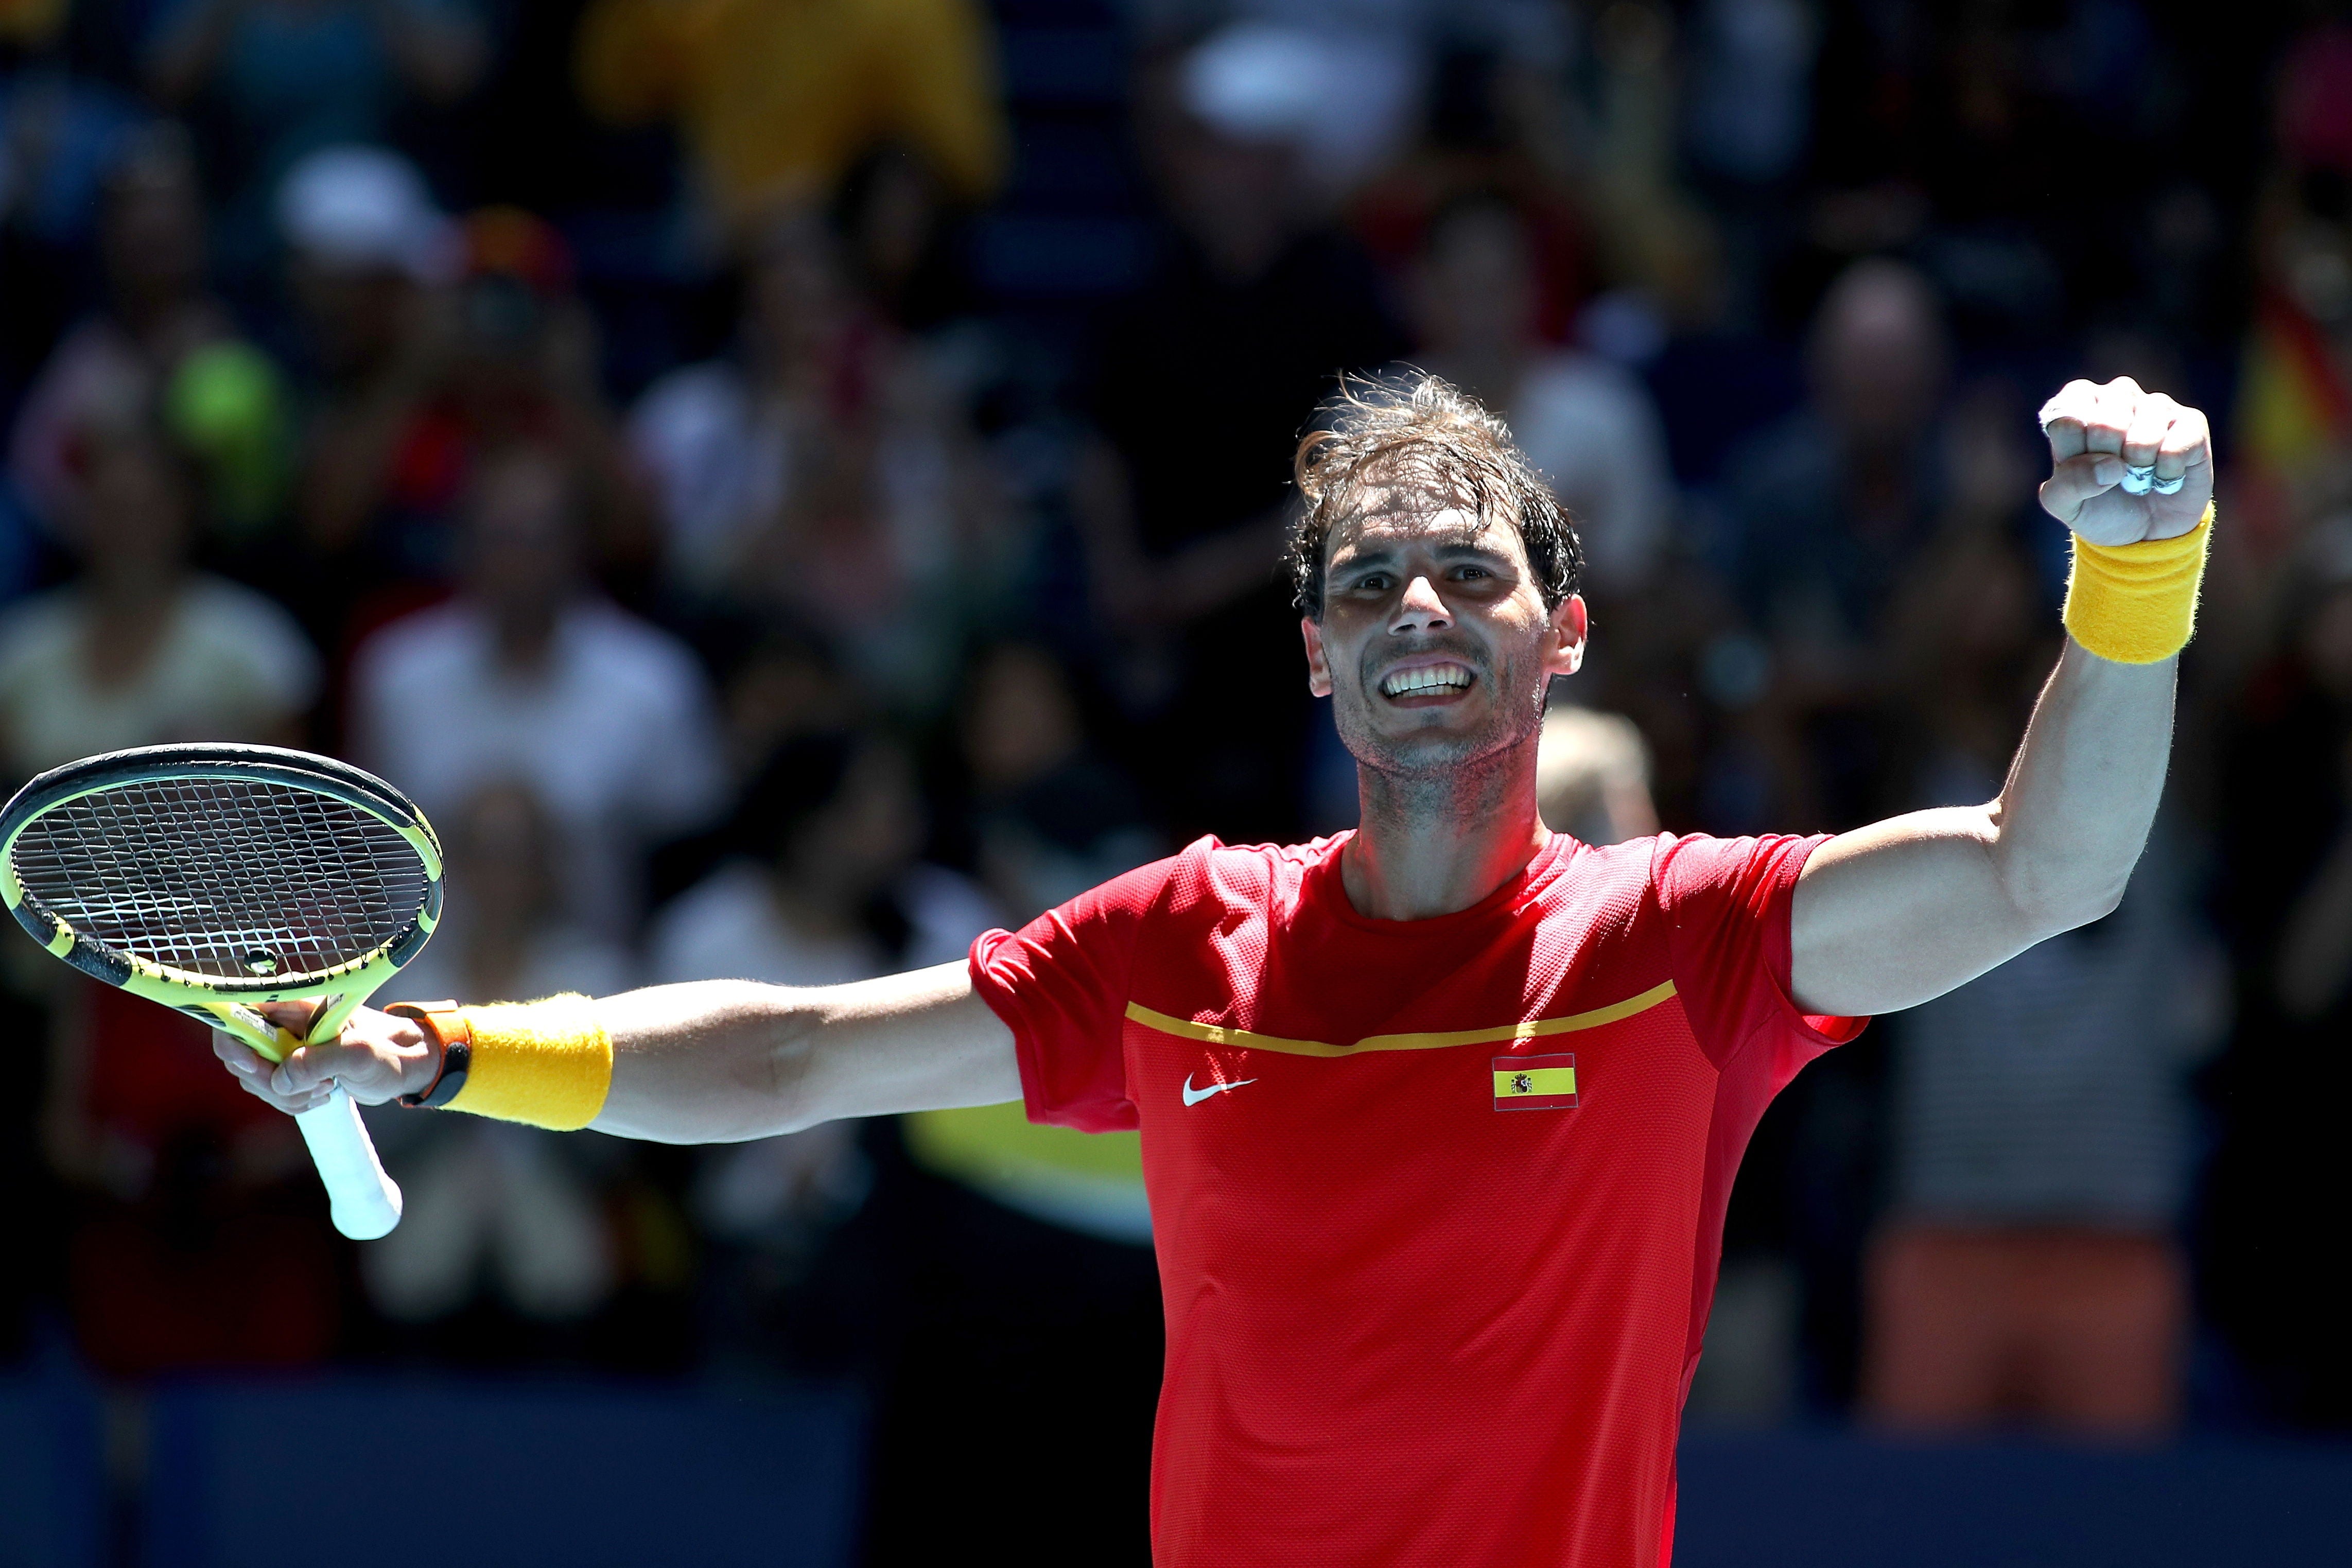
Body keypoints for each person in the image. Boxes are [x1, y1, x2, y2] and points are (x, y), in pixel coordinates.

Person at [223, 371, 2214, 1565]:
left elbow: (2046, 867)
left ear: (1566, 634)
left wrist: (2138, 574)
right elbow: (797, 1051)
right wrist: (444, 1045)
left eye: (1467, 573)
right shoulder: (1184, 939)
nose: (1414, 604)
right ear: (1315, 657)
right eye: (1364, 580)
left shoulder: (1684, 940)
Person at [347, 445, 726, 939]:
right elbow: (361, 855)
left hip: (599, 987)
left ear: (579, 546)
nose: (520, 561)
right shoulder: (396, 677)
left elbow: (688, 862)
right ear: (464, 545)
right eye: (501, 538)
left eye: (539, 539)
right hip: (419, 986)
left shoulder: (654, 682)